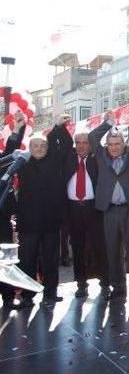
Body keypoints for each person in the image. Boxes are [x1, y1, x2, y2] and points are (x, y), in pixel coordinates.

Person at [89, 110, 129, 301]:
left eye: (117, 144)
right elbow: (92, 136)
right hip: (109, 211)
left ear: (124, 144)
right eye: (111, 144)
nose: (114, 148)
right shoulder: (100, 154)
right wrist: (108, 123)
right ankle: (118, 288)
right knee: (113, 252)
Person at [17, 114, 73, 306]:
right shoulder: (23, 164)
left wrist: (58, 127)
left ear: (47, 149)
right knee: (27, 261)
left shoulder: (54, 160)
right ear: (29, 149)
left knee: (51, 260)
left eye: (42, 146)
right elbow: (9, 149)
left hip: (50, 221)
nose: (39, 149)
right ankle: (27, 294)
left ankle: (50, 292)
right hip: (28, 223)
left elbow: (66, 144)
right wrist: (19, 129)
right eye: (35, 146)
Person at [63, 129, 109, 298]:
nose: (81, 146)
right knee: (77, 247)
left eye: (85, 142)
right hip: (73, 209)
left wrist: (107, 123)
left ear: (91, 145)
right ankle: (81, 283)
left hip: (93, 208)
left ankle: (105, 281)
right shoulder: (68, 160)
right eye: (79, 143)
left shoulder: (96, 160)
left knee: (99, 245)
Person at [0, 111, 26, 310]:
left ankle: (8, 297)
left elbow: (10, 152)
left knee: (5, 257)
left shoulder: (2, 161)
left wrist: (17, 129)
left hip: (1, 218)